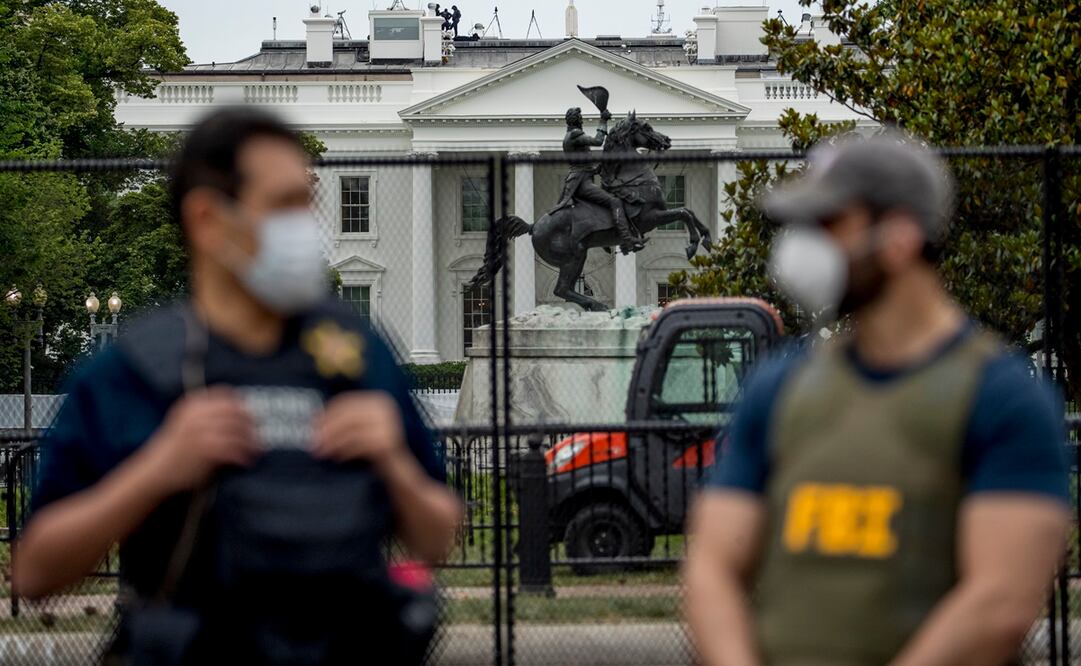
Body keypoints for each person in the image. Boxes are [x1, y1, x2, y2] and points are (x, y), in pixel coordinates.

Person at [13, 107, 462, 664]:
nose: (306, 226)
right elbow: (34, 571)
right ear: (207, 219)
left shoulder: (355, 353)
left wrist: (395, 463)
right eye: (283, 206)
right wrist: (157, 469)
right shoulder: (138, 367)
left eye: (308, 200)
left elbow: (440, 537)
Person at [684, 135, 1070, 666]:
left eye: (829, 223)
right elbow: (711, 567)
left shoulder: (1002, 397)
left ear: (900, 236)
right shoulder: (780, 385)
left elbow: (1000, 602)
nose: (801, 247)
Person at [553, 106, 644, 255]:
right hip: (582, 184)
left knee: (606, 197)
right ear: (577, 120)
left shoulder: (569, 136)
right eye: (581, 118)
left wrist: (598, 167)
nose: (582, 120)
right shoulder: (574, 135)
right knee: (615, 202)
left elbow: (582, 164)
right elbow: (597, 141)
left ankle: (604, 234)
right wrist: (603, 121)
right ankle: (626, 240)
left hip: (581, 179)